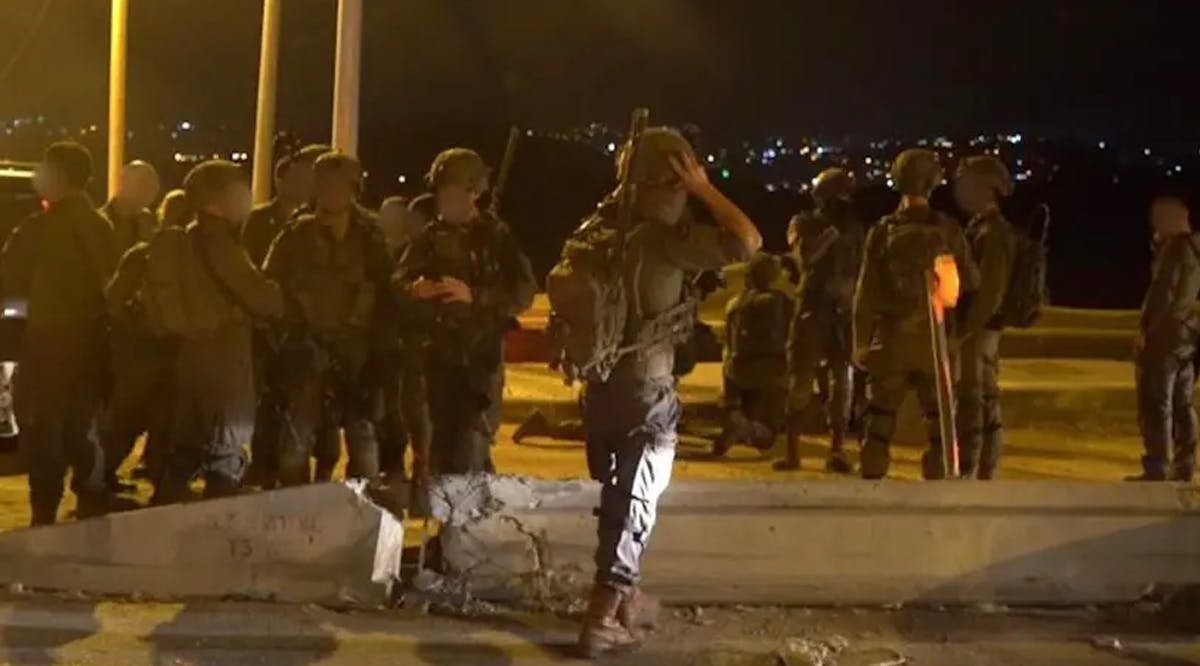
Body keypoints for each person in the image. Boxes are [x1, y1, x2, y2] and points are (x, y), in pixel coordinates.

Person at [576, 128, 761, 657]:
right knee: (638, 500)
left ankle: (625, 596)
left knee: (618, 496)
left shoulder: (597, 230)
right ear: (673, 177)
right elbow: (747, 241)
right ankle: (602, 615)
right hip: (646, 388)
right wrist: (705, 191)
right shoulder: (665, 240)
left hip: (601, 387)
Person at [393, 148, 536, 477]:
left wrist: (476, 296)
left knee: (471, 447)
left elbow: (523, 292)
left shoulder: (496, 239)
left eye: (455, 193)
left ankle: (466, 521)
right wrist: (413, 289)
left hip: (480, 361)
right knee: (441, 450)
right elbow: (398, 281)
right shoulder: (428, 239)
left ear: (474, 193)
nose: (448, 201)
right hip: (438, 360)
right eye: (443, 193)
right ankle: (456, 523)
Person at [0, 142, 117, 525]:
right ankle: (91, 507)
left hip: (48, 349)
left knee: (43, 433)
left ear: (60, 176)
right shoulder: (102, 226)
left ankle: (44, 517)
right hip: (93, 348)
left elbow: (8, 276)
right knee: (84, 431)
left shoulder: (41, 229)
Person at [153, 161, 283, 504]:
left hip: (191, 358)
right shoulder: (221, 244)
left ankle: (162, 523)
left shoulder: (186, 239)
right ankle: (215, 533)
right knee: (226, 455)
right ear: (217, 202)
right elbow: (266, 300)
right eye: (240, 193)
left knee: (184, 453)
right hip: (225, 362)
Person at [263, 152, 392, 486]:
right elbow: (270, 288)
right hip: (307, 351)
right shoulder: (295, 235)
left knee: (363, 441)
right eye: (326, 186)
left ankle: (361, 510)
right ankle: (297, 512)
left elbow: (387, 293)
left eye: (341, 186)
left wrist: (381, 354)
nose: (333, 194)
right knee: (295, 442)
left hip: (356, 354)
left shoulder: (370, 236)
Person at [853, 148, 977, 481]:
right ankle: (938, 488)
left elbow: (867, 293)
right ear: (933, 183)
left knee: (879, 421)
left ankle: (872, 484)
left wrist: (860, 342)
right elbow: (970, 283)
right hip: (935, 342)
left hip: (892, 340)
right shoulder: (948, 230)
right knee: (938, 423)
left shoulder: (882, 231)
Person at [242, 143, 327, 488]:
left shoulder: (323, 224)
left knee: (305, 425)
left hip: (309, 339)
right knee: (266, 412)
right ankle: (263, 473)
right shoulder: (260, 221)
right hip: (268, 333)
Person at [100, 189, 192, 492]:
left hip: (140, 351)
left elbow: (113, 302)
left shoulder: (142, 253)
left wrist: (134, 329)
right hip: (177, 348)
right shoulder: (196, 255)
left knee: (126, 420)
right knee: (166, 419)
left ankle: (99, 482)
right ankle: (162, 482)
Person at [776, 168, 865, 473]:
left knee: (842, 381)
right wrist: (830, 233)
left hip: (842, 310)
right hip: (812, 308)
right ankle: (792, 452)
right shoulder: (805, 223)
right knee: (799, 378)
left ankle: (837, 450)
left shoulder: (855, 229)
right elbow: (806, 257)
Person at [953, 156, 1017, 479]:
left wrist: (966, 329)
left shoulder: (992, 232)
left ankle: (973, 467)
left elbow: (990, 291)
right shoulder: (983, 227)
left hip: (979, 329)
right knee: (983, 397)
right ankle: (982, 467)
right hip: (981, 328)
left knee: (973, 399)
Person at [1130, 196, 1200, 482]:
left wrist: (1146, 331)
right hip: (1188, 334)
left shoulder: (1176, 251)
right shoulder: (1194, 249)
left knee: (1157, 400)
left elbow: (1163, 294)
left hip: (1166, 335)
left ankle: (1158, 464)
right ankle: (1185, 463)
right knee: (1182, 402)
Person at [713, 252, 792, 456]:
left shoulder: (734, 303)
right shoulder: (779, 301)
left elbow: (727, 343)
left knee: (750, 409)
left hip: (736, 371)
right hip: (769, 372)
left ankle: (738, 420)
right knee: (769, 436)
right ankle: (746, 428)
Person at [100, 160, 161, 257]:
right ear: (124, 183)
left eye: (152, 186)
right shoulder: (99, 223)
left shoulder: (148, 222)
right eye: (143, 184)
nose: (150, 192)